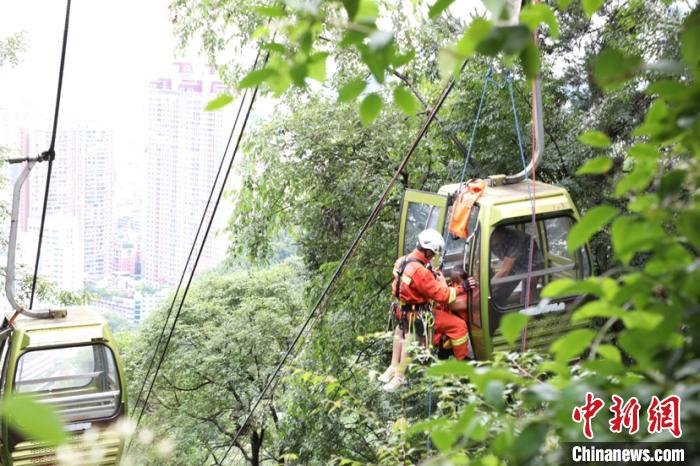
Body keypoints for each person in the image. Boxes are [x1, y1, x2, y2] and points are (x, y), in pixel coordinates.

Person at [379, 229, 457, 392]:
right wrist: (452, 286)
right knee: (412, 340)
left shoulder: (402, 261)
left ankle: (392, 367)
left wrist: (429, 274)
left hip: (402, 308)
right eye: (433, 254)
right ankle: (400, 376)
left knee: (400, 332)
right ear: (428, 251)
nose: (433, 257)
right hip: (416, 312)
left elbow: (412, 281)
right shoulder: (420, 271)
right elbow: (442, 295)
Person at [490, 225, 544, 307]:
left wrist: (488, 284)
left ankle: (535, 314)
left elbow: (505, 271)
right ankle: (497, 313)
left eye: (492, 238)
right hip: (516, 265)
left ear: (499, 234)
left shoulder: (515, 239)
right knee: (498, 294)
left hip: (533, 265)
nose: (489, 241)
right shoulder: (490, 239)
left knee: (526, 299)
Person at [433, 271, 476, 360]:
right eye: (453, 282)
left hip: (464, 342)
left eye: (458, 282)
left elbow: (450, 303)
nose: (455, 285)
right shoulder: (452, 290)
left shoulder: (469, 296)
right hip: (445, 341)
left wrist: (443, 284)